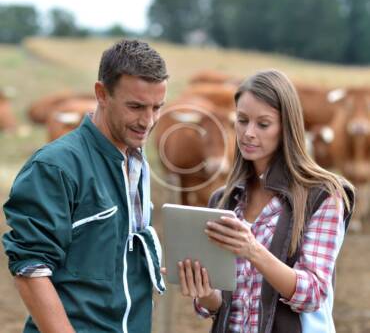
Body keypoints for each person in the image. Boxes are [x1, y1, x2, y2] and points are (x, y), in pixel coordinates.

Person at [2, 39, 168, 333]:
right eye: (136, 106)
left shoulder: (136, 163)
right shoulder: (55, 166)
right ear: (102, 94)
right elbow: (31, 270)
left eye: (157, 107)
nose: (148, 121)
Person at [178, 69, 355, 333]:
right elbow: (218, 306)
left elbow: (314, 293)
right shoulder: (224, 200)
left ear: (287, 128)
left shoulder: (323, 196)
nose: (248, 133)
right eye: (241, 120)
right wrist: (203, 291)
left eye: (263, 124)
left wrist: (252, 250)